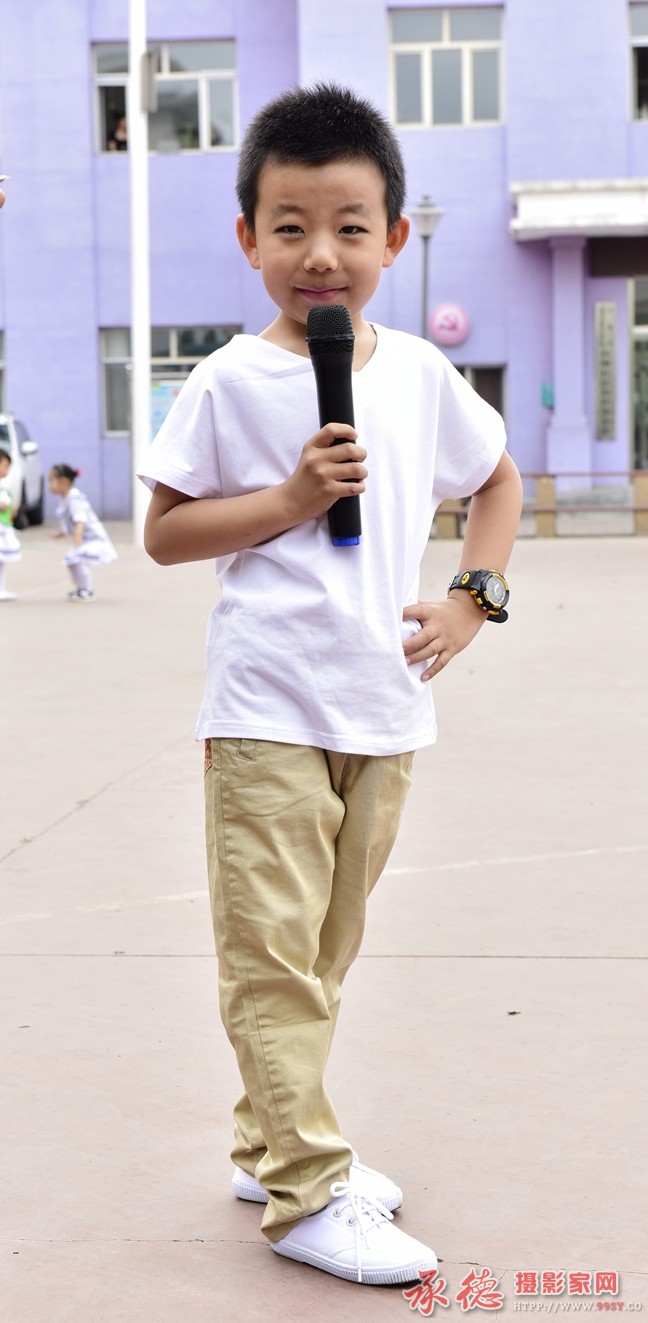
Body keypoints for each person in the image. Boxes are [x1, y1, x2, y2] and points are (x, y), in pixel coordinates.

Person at [140, 82, 523, 1286]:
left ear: (394, 239)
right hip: (267, 707)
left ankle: (266, 1144)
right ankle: (309, 1190)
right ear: (247, 237)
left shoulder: (418, 373)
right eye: (290, 226)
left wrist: (472, 602)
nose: (320, 254)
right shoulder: (227, 381)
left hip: (385, 707)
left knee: (322, 953)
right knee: (271, 957)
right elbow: (165, 533)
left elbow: (496, 482)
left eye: (350, 226)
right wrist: (291, 499)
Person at [48, 464, 117, 600]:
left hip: (92, 538)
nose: (49, 485)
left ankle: (87, 590)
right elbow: (68, 523)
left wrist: (77, 537)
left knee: (78, 559)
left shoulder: (74, 497)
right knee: (72, 561)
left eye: (51, 481)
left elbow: (80, 519)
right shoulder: (65, 499)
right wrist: (60, 533)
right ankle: (80, 588)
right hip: (83, 538)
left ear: (64, 482)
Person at [0, 447, 21, 600]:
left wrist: (11, 509)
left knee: (1, 561)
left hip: (4, 526)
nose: (7, 471)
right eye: (5, 466)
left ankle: (1, 588)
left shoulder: (3, 487)